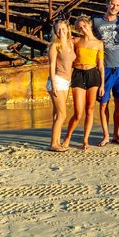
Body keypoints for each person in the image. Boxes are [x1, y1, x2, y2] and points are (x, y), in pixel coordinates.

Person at [62, 16, 104, 150]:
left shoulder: (98, 43)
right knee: (78, 113)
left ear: (90, 25)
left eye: (84, 26)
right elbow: (63, 43)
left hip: (93, 75)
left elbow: (101, 65)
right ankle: (67, 136)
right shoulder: (76, 41)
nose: (82, 29)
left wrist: (102, 84)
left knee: (90, 110)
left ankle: (85, 141)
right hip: (78, 74)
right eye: (79, 28)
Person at [92, 0, 119, 146]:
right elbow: (86, 36)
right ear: (107, 4)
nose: (114, 7)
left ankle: (116, 135)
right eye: (112, 4)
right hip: (105, 69)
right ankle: (106, 135)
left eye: (118, 5)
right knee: (103, 103)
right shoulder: (96, 21)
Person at [46, 20, 76, 152]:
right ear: (55, 32)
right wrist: (53, 85)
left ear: (68, 29)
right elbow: (52, 66)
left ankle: (57, 141)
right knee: (62, 115)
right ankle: (53, 144)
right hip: (57, 81)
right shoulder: (54, 46)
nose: (61, 32)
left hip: (66, 82)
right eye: (58, 30)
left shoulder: (70, 43)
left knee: (57, 114)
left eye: (63, 29)